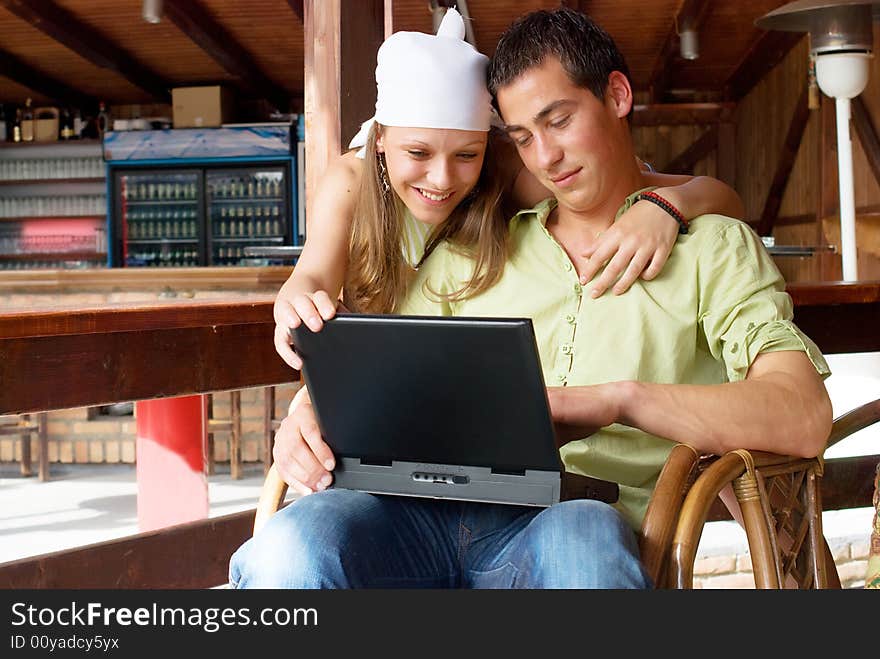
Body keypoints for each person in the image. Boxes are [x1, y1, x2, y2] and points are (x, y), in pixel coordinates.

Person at [229, 8, 822, 589]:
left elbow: (802, 415)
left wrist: (619, 400)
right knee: (290, 545)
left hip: (577, 514)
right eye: (522, 138)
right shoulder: (477, 242)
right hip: (416, 510)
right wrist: (307, 413)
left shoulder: (712, 250)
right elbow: (387, 367)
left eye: (558, 121)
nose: (545, 158)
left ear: (617, 96)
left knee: (582, 548)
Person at [271, 9, 745, 371]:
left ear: (489, 146)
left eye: (465, 155)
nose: (441, 179)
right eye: (417, 153)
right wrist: (295, 302)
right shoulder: (349, 182)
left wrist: (664, 205)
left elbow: (721, 197)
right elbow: (311, 278)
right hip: (382, 381)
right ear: (380, 142)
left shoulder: (517, 167)